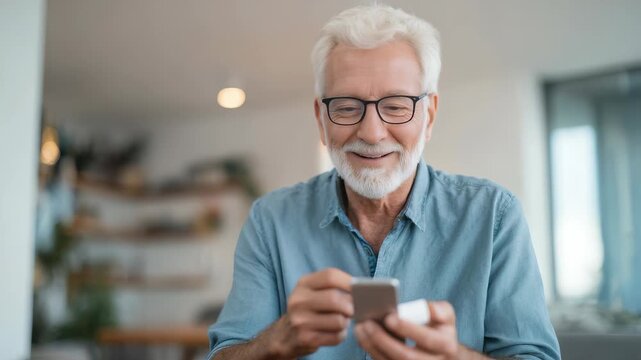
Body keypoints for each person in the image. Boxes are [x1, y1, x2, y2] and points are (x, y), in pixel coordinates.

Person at [208, 4, 560, 360]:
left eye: (395, 105)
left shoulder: (494, 216)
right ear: (321, 118)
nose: (372, 133)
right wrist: (273, 342)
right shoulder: (270, 222)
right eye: (346, 106)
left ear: (430, 114)